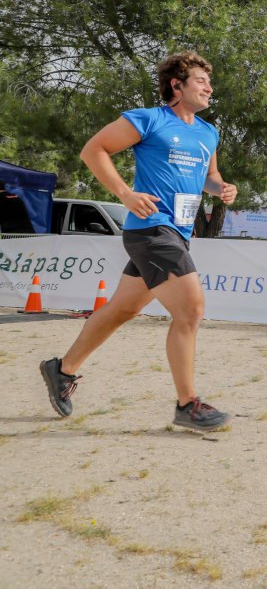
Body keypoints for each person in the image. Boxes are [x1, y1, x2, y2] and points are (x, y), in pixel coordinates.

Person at [39, 52, 236, 431]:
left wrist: (222, 188)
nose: (209, 88)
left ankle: (61, 370)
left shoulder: (208, 133)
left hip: (178, 233)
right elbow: (93, 150)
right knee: (190, 311)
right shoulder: (148, 119)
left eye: (209, 82)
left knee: (122, 310)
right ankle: (187, 404)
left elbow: (208, 177)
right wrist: (125, 194)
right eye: (201, 81)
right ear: (177, 85)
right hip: (151, 230)